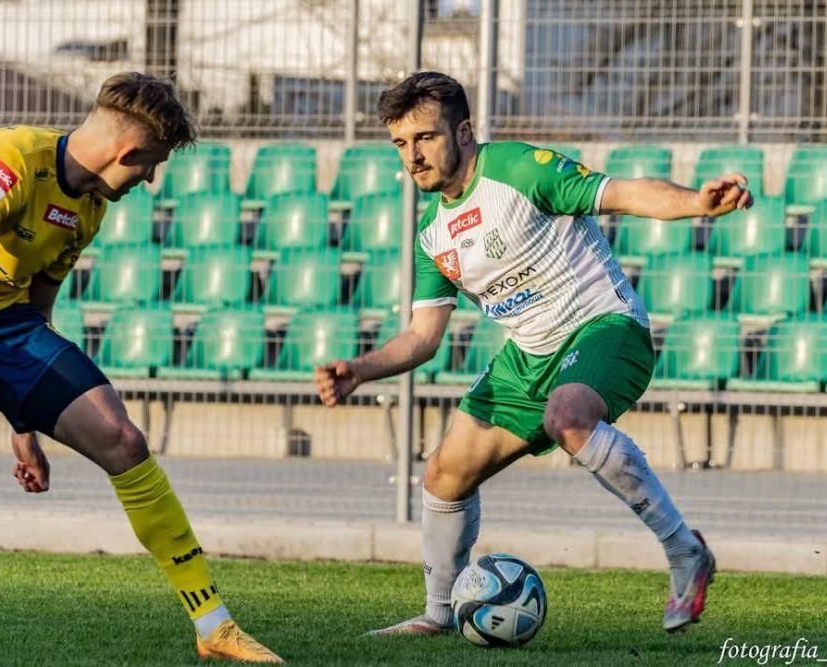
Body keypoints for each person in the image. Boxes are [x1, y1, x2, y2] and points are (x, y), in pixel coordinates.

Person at [316, 70, 753, 636]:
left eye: (425, 137)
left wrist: (696, 202)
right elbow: (423, 336)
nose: (413, 156)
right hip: (529, 356)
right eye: (401, 144)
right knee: (444, 476)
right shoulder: (432, 234)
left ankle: (685, 552)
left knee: (568, 418)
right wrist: (359, 369)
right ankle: (439, 612)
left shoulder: (519, 169)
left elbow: (618, 192)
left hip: (603, 326)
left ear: (464, 130)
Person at [0, 72, 282, 663]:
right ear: (128, 152)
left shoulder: (87, 209)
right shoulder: (8, 160)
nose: (150, 179)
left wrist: (23, 423)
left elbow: (37, 308)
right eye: (152, 165)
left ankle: (214, 626)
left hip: (4, 325)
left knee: (122, 439)